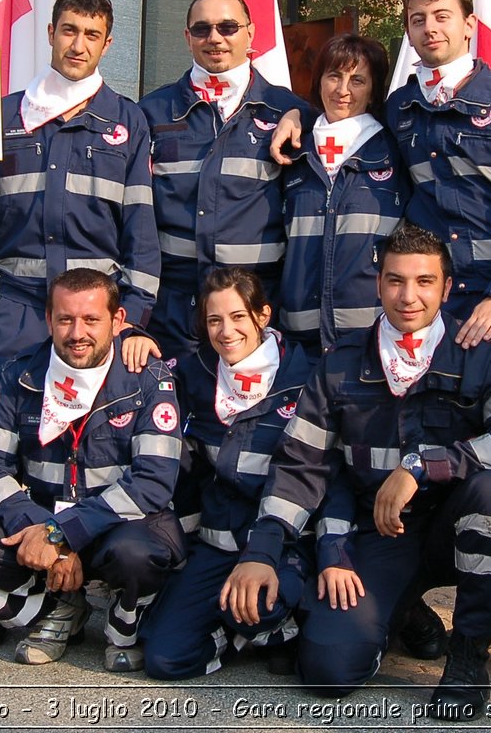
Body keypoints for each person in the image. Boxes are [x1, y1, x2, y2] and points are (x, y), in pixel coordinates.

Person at [272, 0, 491, 694]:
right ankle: (413, 604)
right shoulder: (405, 109)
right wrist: (291, 119)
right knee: (421, 450)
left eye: (442, 16)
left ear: (470, 24)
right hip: (434, 308)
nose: (429, 28)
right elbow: (343, 115)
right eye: (417, 19)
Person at [222, 224, 491, 721]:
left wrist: (424, 466)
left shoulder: (482, 353)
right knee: (329, 671)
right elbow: (301, 464)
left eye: (424, 282)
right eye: (395, 281)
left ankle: (468, 656)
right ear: (378, 284)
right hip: (379, 532)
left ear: (447, 287)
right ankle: (403, 610)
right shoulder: (340, 363)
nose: (408, 296)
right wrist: (263, 549)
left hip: (453, 524)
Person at [0, 0, 162, 421]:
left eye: (91, 34)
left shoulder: (127, 121)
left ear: (107, 44)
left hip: (92, 313)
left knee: (86, 433)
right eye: (69, 31)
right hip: (20, 307)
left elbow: (140, 227)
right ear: (50, 32)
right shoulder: (5, 116)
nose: (78, 45)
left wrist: (131, 316)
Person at [0, 269, 185, 671]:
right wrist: (39, 529)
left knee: (140, 555)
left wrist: (63, 534)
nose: (77, 333)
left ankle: (123, 625)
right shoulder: (17, 375)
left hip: (114, 525)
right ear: (48, 319)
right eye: (65, 319)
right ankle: (56, 611)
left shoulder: (149, 380)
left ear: (118, 321)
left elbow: (153, 482)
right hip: (38, 517)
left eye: (91, 320)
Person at [139, 267, 315, 680]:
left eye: (238, 317)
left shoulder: (305, 377)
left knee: (260, 608)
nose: (225, 331)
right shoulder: (195, 372)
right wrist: (134, 339)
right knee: (165, 659)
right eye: (214, 319)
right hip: (218, 544)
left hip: (284, 544)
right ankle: (240, 633)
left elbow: (318, 474)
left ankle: (279, 623)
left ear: (263, 315)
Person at [137, 0, 307, 360]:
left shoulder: (288, 111)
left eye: (228, 27)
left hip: (255, 308)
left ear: (251, 33)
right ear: (187, 37)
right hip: (174, 310)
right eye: (202, 29)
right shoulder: (150, 113)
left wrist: (299, 115)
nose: (214, 38)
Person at [279, 34, 405, 352]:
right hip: (299, 339)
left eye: (357, 80)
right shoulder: (290, 151)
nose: (342, 90)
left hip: (373, 335)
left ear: (374, 90)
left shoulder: (396, 152)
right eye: (334, 75)